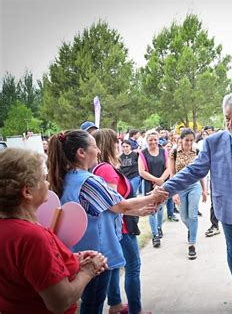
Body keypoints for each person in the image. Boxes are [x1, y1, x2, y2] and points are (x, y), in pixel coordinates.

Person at [161, 92, 232, 314]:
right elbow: (194, 170)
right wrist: (166, 188)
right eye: (227, 117)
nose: (230, 123)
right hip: (228, 208)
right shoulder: (214, 142)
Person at [47, 130, 167, 314]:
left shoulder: (65, 179)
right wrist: (153, 196)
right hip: (96, 254)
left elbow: (105, 208)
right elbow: (121, 206)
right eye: (94, 146)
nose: (97, 150)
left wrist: (139, 211)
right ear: (81, 152)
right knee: (93, 304)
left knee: (90, 302)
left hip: (77, 252)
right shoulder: (88, 181)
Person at [0, 148, 107, 314]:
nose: (48, 183)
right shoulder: (32, 237)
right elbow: (60, 302)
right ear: (27, 191)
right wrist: (88, 271)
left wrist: (71, 260)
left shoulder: (11, 229)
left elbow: (25, 273)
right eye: (42, 178)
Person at [92, 129, 145, 314]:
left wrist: (139, 210)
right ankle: (134, 310)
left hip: (117, 225)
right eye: (117, 142)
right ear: (109, 145)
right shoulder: (106, 169)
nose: (120, 145)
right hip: (121, 227)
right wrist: (142, 205)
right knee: (133, 267)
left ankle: (115, 304)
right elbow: (113, 205)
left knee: (113, 267)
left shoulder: (99, 168)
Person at [169, 129, 207, 259]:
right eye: (187, 140)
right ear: (181, 140)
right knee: (184, 217)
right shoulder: (174, 152)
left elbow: (200, 172)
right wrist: (173, 192)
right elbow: (172, 173)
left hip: (194, 186)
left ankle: (192, 244)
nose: (189, 143)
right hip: (179, 187)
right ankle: (191, 230)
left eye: (191, 140)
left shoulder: (197, 152)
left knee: (193, 214)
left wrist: (203, 189)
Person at [138, 130, 169, 248]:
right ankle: (155, 235)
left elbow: (168, 168)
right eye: (150, 140)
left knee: (160, 208)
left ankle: (159, 227)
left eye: (155, 139)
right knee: (152, 209)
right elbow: (142, 171)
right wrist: (156, 180)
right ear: (147, 141)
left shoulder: (164, 151)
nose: (153, 142)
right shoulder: (142, 153)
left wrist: (161, 180)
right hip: (148, 184)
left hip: (162, 183)